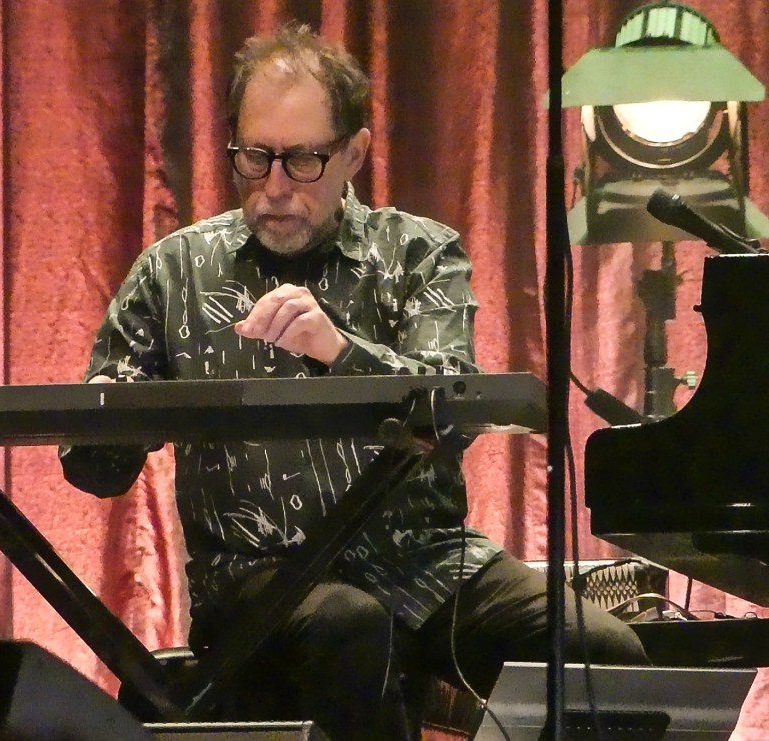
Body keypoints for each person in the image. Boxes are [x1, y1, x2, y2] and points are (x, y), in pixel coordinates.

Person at [60, 22, 647, 741]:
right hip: (259, 579)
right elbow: (91, 468)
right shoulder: (174, 270)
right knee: (350, 626)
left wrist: (339, 350)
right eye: (255, 158)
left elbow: (452, 408)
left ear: (354, 154)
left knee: (603, 654)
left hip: (425, 560)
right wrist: (127, 420)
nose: (275, 188)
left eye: (304, 161)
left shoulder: (419, 253)